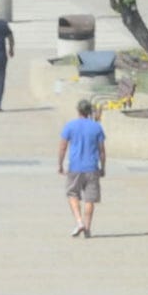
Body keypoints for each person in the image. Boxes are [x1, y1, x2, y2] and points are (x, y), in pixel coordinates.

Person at [57, 99, 106, 238]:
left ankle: (79, 222)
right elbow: (102, 151)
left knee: (72, 194)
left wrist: (60, 165)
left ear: (78, 110)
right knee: (89, 199)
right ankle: (87, 229)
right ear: (89, 111)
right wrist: (103, 167)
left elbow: (62, 147)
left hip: (75, 167)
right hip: (92, 167)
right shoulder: (97, 127)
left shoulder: (70, 126)